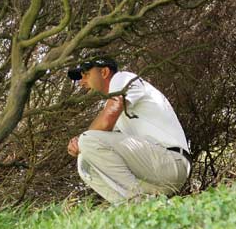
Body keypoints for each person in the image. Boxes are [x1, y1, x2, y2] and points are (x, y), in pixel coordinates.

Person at [66, 55, 191, 203]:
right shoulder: (114, 104)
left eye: (86, 74)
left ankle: (136, 200)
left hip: (172, 162)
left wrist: (81, 141)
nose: (82, 82)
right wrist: (81, 144)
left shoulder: (123, 79)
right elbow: (100, 142)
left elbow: (106, 121)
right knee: (85, 162)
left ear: (104, 72)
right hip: (155, 175)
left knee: (88, 141)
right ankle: (133, 208)